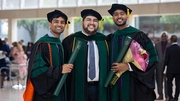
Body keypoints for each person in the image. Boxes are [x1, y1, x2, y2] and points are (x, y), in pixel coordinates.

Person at [107, 4, 158, 101]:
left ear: (127, 15)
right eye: (116, 14)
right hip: (115, 84)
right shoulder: (111, 38)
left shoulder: (139, 35)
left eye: (122, 14)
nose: (119, 16)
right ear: (113, 17)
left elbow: (152, 59)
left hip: (134, 85)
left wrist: (129, 66)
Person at [23, 10, 73, 101]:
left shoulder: (60, 44)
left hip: (60, 91)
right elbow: (37, 72)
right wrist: (60, 70)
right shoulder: (42, 44)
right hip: (46, 94)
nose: (59, 24)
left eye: (62, 22)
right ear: (50, 24)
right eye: (56, 21)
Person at [62, 9, 110, 101]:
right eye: (88, 19)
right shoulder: (71, 41)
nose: (92, 23)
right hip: (77, 87)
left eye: (95, 20)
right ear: (82, 22)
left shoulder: (105, 41)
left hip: (100, 87)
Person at [163, 35, 180, 101]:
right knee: (178, 84)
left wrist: (163, 68)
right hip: (178, 70)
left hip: (170, 69)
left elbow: (166, 60)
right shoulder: (179, 48)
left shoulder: (169, 49)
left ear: (171, 40)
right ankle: (176, 97)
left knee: (169, 83)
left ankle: (170, 97)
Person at [155, 31, 170, 100]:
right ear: (161, 37)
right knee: (159, 81)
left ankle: (167, 95)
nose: (164, 37)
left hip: (167, 66)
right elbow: (155, 55)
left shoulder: (170, 45)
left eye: (165, 36)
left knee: (167, 81)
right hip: (158, 66)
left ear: (167, 37)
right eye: (163, 36)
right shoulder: (157, 45)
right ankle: (160, 95)